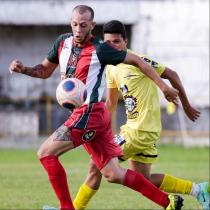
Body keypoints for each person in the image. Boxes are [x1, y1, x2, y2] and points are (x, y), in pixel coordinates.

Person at [9, 5, 184, 210]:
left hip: (89, 113)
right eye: (75, 24)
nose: (78, 29)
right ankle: (168, 202)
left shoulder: (100, 49)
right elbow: (44, 70)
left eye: (83, 25)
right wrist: (24, 70)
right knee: (113, 174)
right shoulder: (62, 43)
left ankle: (67, 208)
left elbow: (137, 61)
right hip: (94, 116)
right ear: (70, 23)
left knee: (46, 153)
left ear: (92, 25)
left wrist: (163, 87)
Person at [73, 20, 210, 210]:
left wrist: (186, 105)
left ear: (126, 42)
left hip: (140, 130)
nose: (112, 46)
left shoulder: (137, 60)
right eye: (108, 43)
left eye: (117, 42)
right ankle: (198, 190)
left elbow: (172, 74)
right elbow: (111, 104)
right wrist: (97, 127)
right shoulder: (111, 67)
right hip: (137, 130)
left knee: (96, 166)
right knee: (144, 179)